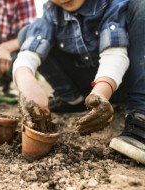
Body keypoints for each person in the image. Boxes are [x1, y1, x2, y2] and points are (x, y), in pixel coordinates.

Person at [14, 0, 145, 164]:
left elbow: (114, 55)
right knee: (27, 33)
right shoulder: (51, 12)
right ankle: (73, 100)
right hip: (88, 85)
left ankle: (140, 116)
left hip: (123, 79)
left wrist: (100, 93)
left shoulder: (110, 4)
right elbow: (29, 55)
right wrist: (26, 81)